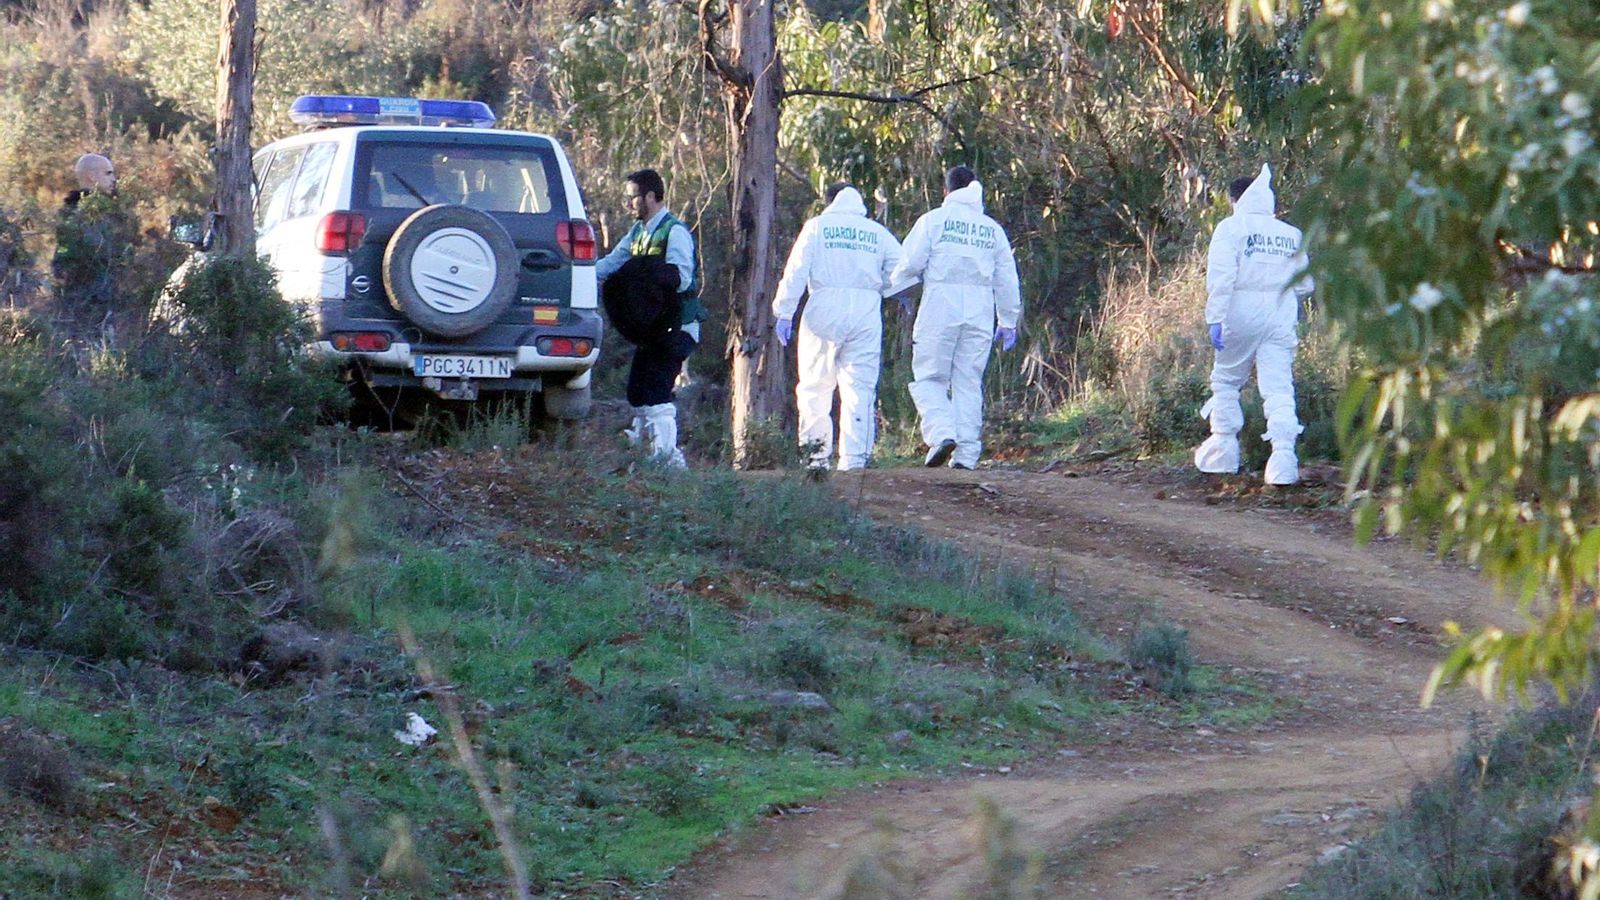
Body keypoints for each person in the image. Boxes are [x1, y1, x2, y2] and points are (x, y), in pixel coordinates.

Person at [887, 165, 1022, 470]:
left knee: (929, 377)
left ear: (946, 192)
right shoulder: (992, 230)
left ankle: (942, 434)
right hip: (980, 310)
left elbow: (909, 263)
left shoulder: (933, 222)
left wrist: (898, 289)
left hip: (940, 306)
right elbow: (1007, 279)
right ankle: (966, 456)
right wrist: (1008, 320)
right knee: (968, 382)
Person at [1194, 162, 1314, 486]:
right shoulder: (1291, 234)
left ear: (1236, 201)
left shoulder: (1230, 229)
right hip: (1280, 313)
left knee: (1226, 381)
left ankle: (1223, 452)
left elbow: (1221, 279)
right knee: (1278, 387)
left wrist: (1215, 319)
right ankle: (1283, 461)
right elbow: (1306, 285)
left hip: (1239, 312)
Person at [772, 183, 904, 470]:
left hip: (824, 306)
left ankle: (815, 458)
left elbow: (795, 270)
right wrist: (881, 288)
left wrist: (784, 311)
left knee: (815, 387)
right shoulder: (876, 233)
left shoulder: (818, 227)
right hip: (866, 310)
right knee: (860, 387)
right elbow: (903, 268)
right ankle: (855, 461)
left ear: (829, 202)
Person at [595, 168, 701, 468]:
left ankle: (668, 461)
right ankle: (643, 458)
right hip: (653, 329)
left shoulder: (674, 231)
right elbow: (612, 264)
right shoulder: (638, 233)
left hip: (677, 327)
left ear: (652, 197)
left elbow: (681, 277)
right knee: (637, 391)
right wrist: (576, 279)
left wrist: (646, 273)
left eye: (633, 198)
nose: (628, 204)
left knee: (656, 389)